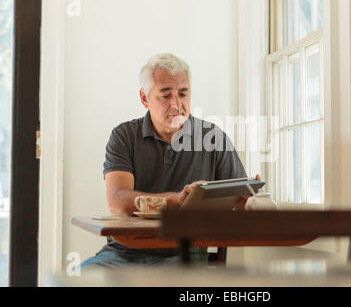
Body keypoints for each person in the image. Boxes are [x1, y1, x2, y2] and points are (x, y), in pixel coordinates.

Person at [81, 53, 259, 269]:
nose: (176, 104)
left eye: (183, 94)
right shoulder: (124, 135)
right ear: (144, 98)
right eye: (165, 95)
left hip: (184, 256)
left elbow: (239, 208)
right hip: (121, 254)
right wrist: (176, 200)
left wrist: (246, 201)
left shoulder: (214, 138)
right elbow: (117, 202)